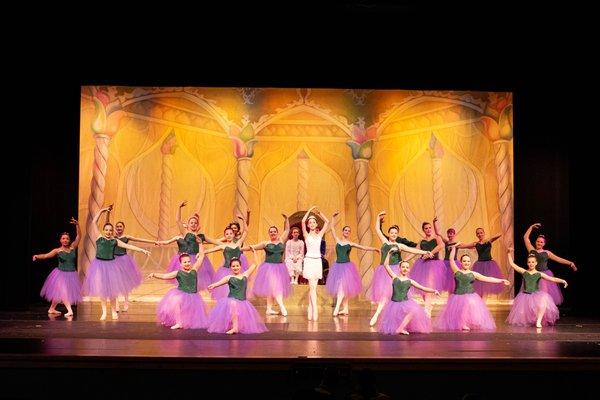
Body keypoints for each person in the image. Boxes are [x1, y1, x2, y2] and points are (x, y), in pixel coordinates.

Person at [82, 205, 150, 320]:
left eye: (110, 230)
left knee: (112, 291)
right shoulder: (99, 238)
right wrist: (102, 211)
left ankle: (114, 311)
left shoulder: (115, 241)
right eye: (106, 230)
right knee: (103, 291)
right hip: (99, 266)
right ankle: (104, 312)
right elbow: (93, 223)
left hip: (111, 266)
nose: (108, 232)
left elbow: (128, 245)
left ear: (112, 231)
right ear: (103, 231)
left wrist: (142, 250)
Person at [367, 211, 431, 326]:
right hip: (384, 271)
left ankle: (400, 318)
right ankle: (376, 315)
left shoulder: (399, 245)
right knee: (384, 296)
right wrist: (377, 217)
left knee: (397, 296)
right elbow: (377, 229)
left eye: (395, 233)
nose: (393, 234)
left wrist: (424, 251)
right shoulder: (384, 242)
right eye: (392, 233)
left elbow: (413, 250)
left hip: (396, 271)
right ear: (389, 233)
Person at [435, 244, 509, 331]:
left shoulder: (473, 274)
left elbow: (487, 278)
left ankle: (467, 322)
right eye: (464, 261)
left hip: (470, 295)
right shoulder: (456, 271)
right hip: (458, 296)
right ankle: (463, 323)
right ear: (461, 262)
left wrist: (501, 280)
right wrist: (454, 248)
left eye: (468, 261)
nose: (466, 263)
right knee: (461, 310)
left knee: (470, 306)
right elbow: (451, 259)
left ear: (470, 263)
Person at [327, 212, 379, 316]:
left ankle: (337, 308)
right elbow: (332, 228)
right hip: (337, 266)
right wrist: (333, 217)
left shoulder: (351, 243)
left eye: (349, 231)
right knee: (342, 288)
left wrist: (374, 248)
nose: (347, 232)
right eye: (345, 230)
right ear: (342, 232)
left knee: (342, 288)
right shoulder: (337, 240)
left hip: (346, 267)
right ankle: (345, 309)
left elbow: (363, 247)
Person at [378, 248, 439, 335]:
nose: (405, 269)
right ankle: (399, 328)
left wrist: (434, 290)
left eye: (407, 267)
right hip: (394, 303)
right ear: (399, 268)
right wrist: (388, 254)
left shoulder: (410, 281)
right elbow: (386, 265)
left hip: (405, 302)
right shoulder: (394, 277)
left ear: (409, 269)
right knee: (394, 318)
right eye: (403, 267)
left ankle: (401, 328)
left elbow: (422, 288)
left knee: (413, 310)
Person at [207, 248, 267, 334]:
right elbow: (219, 283)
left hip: (242, 301)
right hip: (232, 300)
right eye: (233, 266)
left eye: (237, 266)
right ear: (230, 267)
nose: (235, 268)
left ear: (240, 266)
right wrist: (213, 285)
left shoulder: (245, 275)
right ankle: (235, 328)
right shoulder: (229, 277)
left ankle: (236, 326)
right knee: (233, 306)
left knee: (238, 314)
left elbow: (255, 264)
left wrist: (254, 253)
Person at [148, 247, 209, 329]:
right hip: (182, 293)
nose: (187, 263)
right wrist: (154, 274)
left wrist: (200, 244)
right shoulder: (178, 273)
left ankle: (187, 321)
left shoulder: (194, 270)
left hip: (193, 295)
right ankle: (179, 322)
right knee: (175, 301)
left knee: (191, 312)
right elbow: (165, 276)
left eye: (188, 261)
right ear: (180, 264)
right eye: (185, 262)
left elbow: (201, 257)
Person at [159, 201, 214, 290]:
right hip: (186, 258)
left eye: (195, 223)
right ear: (187, 225)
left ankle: (193, 294)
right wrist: (179, 207)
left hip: (197, 259)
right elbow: (178, 220)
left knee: (196, 280)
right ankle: (183, 292)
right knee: (183, 279)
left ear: (198, 225)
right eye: (191, 223)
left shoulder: (200, 236)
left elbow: (215, 241)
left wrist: (228, 242)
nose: (193, 224)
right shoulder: (185, 233)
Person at [32, 217, 82, 317]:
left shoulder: (72, 248)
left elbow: (79, 236)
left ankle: (51, 309)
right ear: (60, 240)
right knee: (63, 292)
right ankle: (70, 310)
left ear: (69, 240)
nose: (65, 240)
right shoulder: (57, 250)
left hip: (71, 274)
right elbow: (46, 255)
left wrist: (77, 225)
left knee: (59, 292)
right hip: (60, 274)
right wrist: (37, 256)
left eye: (67, 238)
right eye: (63, 238)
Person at [506, 249, 566, 328]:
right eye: (529, 262)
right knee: (521, 312)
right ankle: (527, 321)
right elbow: (512, 264)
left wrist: (562, 281)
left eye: (533, 262)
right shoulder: (524, 272)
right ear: (527, 263)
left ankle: (538, 321)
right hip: (525, 295)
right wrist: (508, 253)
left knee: (544, 301)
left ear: (536, 263)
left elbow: (552, 279)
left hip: (536, 294)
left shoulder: (539, 274)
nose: (531, 264)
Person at [523, 222, 577, 305]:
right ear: (535, 242)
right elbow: (526, 237)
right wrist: (531, 227)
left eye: (541, 242)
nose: (539, 243)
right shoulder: (531, 250)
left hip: (544, 275)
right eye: (538, 241)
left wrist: (570, 263)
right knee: (532, 296)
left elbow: (558, 259)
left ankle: (543, 314)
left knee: (543, 296)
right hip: (533, 275)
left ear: (544, 244)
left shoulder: (547, 253)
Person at [249, 214, 291, 316]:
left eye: (274, 231)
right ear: (269, 233)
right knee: (275, 287)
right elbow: (252, 247)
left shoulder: (281, 240)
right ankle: (281, 306)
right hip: (268, 268)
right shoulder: (265, 243)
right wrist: (239, 249)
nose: (273, 233)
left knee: (273, 288)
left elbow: (287, 230)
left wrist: (286, 219)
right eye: (271, 232)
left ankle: (269, 309)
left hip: (280, 268)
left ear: (277, 233)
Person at [113, 220, 157, 312]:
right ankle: (116, 304)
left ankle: (126, 303)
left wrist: (153, 241)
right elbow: (107, 223)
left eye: (120, 226)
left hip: (124, 260)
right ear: (115, 228)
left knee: (125, 283)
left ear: (123, 228)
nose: (119, 228)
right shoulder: (113, 237)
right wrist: (108, 213)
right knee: (115, 282)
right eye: (117, 226)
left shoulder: (126, 237)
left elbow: (139, 239)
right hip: (114, 260)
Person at [406, 221, 447, 316]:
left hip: (434, 265)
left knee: (429, 285)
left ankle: (427, 309)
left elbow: (441, 245)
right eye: (426, 228)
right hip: (422, 265)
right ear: (423, 230)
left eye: (429, 228)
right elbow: (415, 251)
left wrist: (430, 253)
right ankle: (428, 305)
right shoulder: (421, 241)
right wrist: (405, 260)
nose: (428, 229)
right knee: (423, 290)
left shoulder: (437, 238)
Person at [204, 215, 248, 300]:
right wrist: (201, 253)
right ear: (225, 235)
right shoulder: (223, 246)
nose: (229, 235)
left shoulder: (238, 243)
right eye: (227, 234)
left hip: (237, 270)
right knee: (225, 292)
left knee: (235, 291)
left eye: (231, 233)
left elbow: (246, 231)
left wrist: (243, 220)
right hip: (225, 270)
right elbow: (211, 250)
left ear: (233, 234)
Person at [457, 228, 504, 299]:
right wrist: (455, 245)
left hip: (489, 265)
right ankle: (480, 302)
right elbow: (464, 246)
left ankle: (483, 303)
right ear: (476, 235)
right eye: (478, 233)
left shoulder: (489, 241)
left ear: (484, 233)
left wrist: (489, 238)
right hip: (480, 265)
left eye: (481, 233)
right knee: (479, 285)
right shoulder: (476, 244)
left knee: (486, 285)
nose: (480, 234)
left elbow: (500, 234)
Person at [301, 206, 330, 321]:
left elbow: (327, 222)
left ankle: (310, 308)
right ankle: (315, 310)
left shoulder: (320, 235)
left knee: (314, 287)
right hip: (309, 260)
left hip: (317, 261)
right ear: (308, 225)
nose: (312, 223)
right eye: (310, 222)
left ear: (316, 224)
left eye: (314, 222)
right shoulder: (306, 235)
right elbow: (303, 221)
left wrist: (320, 213)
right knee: (311, 286)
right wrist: (309, 210)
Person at [432, 216, 461, 293]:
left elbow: (467, 246)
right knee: (447, 281)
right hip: (446, 263)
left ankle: (453, 296)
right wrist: (434, 222)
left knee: (453, 281)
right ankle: (450, 296)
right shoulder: (446, 242)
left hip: (454, 263)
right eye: (449, 234)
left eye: (451, 234)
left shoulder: (457, 243)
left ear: (454, 234)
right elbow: (437, 233)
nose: (450, 235)